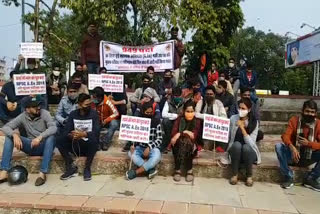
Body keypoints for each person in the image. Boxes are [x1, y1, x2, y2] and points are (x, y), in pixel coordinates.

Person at [0, 95, 57, 186]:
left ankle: (42, 173)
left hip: (44, 146)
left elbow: (53, 128)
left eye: (38, 105)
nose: (38, 108)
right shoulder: (23, 116)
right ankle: (4, 171)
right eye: (34, 106)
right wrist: (14, 134)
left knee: (51, 137)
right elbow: (5, 127)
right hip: (30, 145)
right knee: (9, 137)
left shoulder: (44, 113)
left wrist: (40, 137)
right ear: (27, 109)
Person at [275, 100, 320, 191]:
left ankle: (311, 178)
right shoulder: (294, 120)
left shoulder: (318, 124)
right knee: (279, 146)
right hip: (293, 156)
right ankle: (288, 177)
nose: (309, 114)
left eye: (312, 112)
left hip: (309, 156)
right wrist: (292, 148)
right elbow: (285, 136)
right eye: (307, 111)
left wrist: (309, 144)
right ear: (302, 111)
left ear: (315, 113)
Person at [57, 93, 100, 181]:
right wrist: (71, 135)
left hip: (89, 145)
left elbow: (96, 132)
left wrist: (84, 134)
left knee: (94, 140)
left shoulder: (94, 114)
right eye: (86, 105)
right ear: (80, 104)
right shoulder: (73, 114)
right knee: (59, 139)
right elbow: (66, 131)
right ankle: (71, 167)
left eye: (89, 104)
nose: (88, 106)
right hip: (76, 143)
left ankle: (87, 168)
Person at [224, 98, 260, 187]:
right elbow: (229, 137)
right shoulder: (233, 118)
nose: (240, 110)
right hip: (236, 152)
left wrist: (242, 128)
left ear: (249, 109)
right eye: (239, 108)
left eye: (243, 109)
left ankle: (249, 176)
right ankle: (235, 174)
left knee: (246, 147)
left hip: (249, 152)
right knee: (237, 145)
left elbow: (251, 144)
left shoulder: (254, 122)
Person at [126, 101, 162, 180]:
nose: (149, 114)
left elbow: (159, 139)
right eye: (147, 112)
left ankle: (136, 172)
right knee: (130, 154)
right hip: (140, 147)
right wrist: (133, 145)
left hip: (152, 148)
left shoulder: (156, 122)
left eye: (151, 113)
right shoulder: (138, 122)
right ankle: (150, 169)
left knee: (157, 156)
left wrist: (149, 147)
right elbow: (134, 137)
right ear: (143, 112)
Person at [170, 100, 201, 182]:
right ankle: (180, 169)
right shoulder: (179, 119)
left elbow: (193, 136)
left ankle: (187, 169)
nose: (190, 113)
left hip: (192, 146)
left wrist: (181, 133)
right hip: (178, 145)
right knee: (181, 142)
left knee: (186, 142)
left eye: (191, 111)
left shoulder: (197, 121)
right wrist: (184, 133)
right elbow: (173, 133)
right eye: (188, 111)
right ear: (184, 111)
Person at [195, 86, 227, 151]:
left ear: (214, 95)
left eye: (211, 94)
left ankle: (219, 148)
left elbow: (224, 117)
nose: (209, 96)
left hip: (215, 127)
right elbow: (196, 114)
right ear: (205, 95)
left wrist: (212, 120)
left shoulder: (218, 103)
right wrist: (208, 118)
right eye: (207, 94)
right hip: (203, 126)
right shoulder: (201, 102)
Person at [91, 87, 119, 151]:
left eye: (95, 97)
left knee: (114, 124)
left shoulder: (108, 102)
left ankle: (105, 143)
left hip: (107, 121)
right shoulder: (91, 100)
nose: (93, 98)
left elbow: (116, 113)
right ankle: (97, 143)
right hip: (97, 121)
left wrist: (106, 120)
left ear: (100, 97)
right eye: (93, 96)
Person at [161, 87, 185, 152]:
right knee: (165, 121)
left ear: (181, 95)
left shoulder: (184, 102)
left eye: (178, 96)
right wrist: (176, 115)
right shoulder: (168, 102)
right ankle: (168, 142)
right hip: (171, 122)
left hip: (181, 122)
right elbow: (164, 114)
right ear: (172, 95)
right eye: (175, 96)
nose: (177, 97)